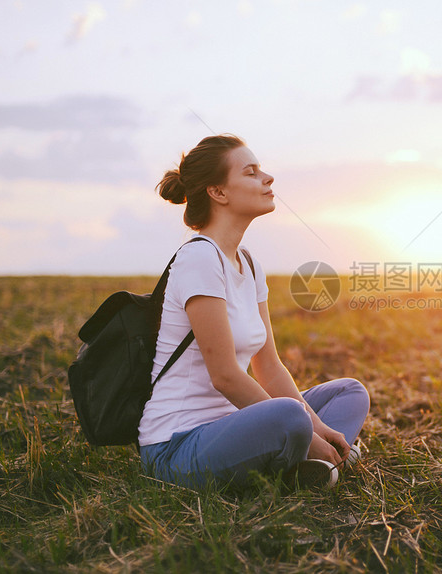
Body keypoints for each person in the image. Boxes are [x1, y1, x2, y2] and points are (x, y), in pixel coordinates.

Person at [138, 134, 370, 489]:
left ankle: (309, 465)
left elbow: (270, 368)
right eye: (251, 172)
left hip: (236, 422)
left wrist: (320, 428)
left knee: (349, 393)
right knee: (290, 416)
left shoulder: (249, 263)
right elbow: (226, 376)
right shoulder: (199, 258)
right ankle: (307, 462)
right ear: (218, 192)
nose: (267, 178)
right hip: (178, 446)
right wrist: (308, 432)